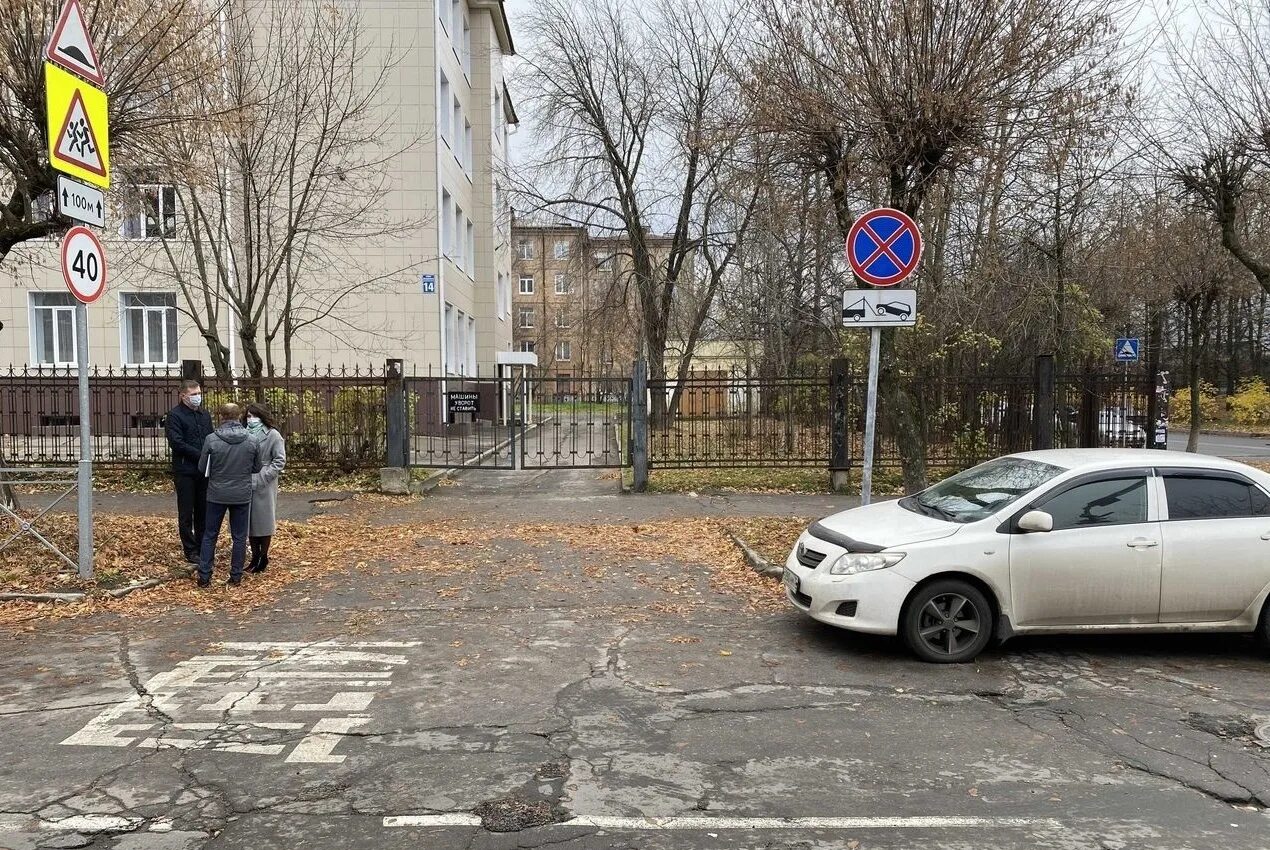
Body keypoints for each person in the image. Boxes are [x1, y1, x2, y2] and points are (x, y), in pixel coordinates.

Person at [197, 403, 260, 587]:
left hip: (217, 493)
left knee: (210, 534)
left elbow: (202, 467)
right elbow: (257, 467)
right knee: (239, 536)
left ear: (221, 416)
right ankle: (236, 575)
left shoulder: (211, 439)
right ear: (239, 416)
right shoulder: (252, 440)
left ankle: (204, 576)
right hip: (241, 493)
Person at [165, 379, 213, 564]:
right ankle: (190, 550)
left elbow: (210, 436)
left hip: (204, 470)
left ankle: (203, 546)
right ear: (183, 395)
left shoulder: (204, 414)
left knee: (204, 510)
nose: (197, 398)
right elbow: (177, 443)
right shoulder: (175, 416)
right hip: (185, 469)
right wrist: (200, 455)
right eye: (193, 395)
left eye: (199, 394)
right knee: (186, 512)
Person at [244, 402, 286, 574]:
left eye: (254, 416)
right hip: (246, 480)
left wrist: (263, 476)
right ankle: (254, 556)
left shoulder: (273, 435)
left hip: (265, 482)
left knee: (264, 519)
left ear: (262, 417)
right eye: (248, 416)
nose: (251, 419)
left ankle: (263, 555)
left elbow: (279, 460)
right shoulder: (243, 433)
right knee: (250, 521)